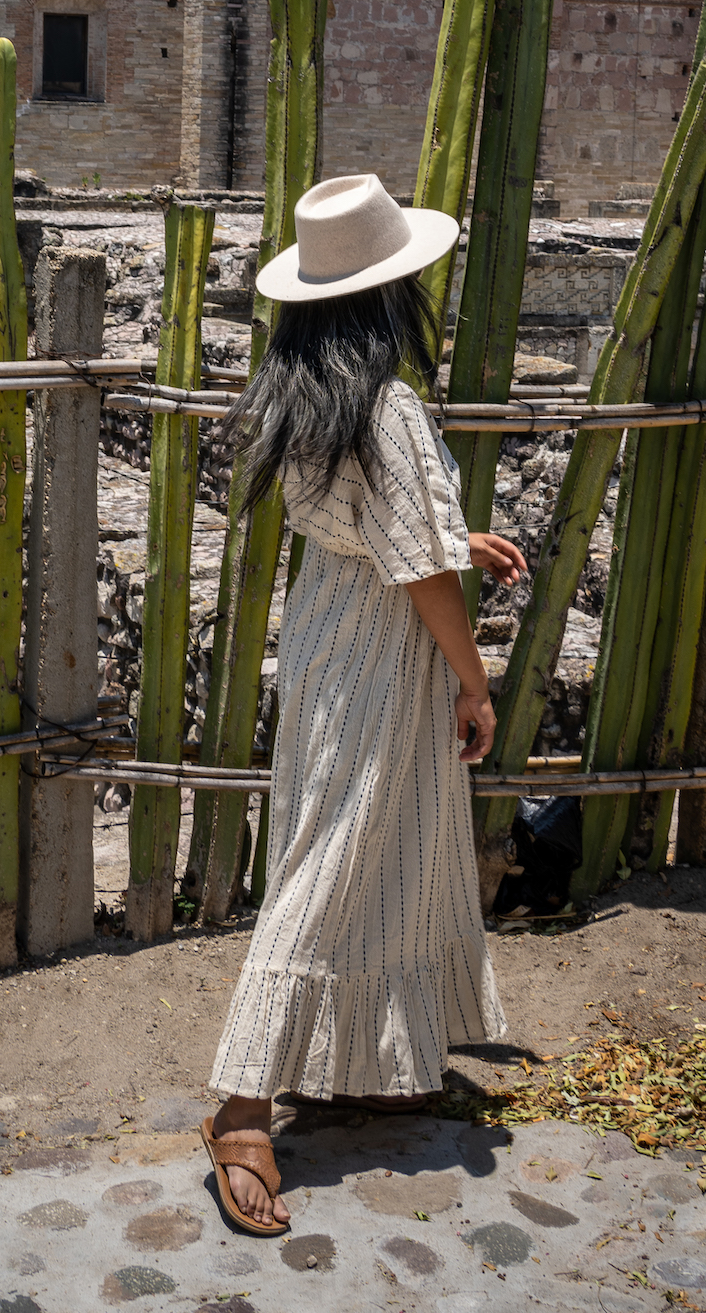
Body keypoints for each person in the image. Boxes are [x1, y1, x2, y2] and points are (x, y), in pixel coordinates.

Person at [199, 172, 526, 1235]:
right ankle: (242, 1102)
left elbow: (363, 527)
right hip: (384, 654)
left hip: (329, 637)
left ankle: (370, 1062)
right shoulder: (382, 405)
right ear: (394, 292)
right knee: (332, 862)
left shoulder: (300, 389)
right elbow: (416, 577)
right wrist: (472, 680)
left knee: (369, 849)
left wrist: (447, 538)